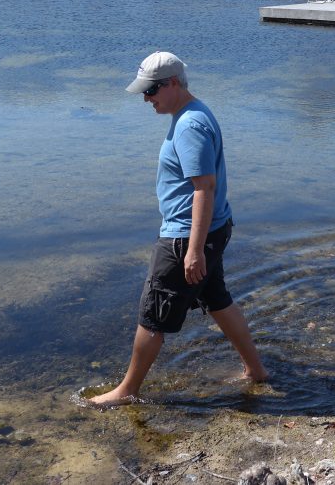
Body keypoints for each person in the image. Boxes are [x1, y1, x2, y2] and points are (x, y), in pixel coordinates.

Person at [89, 51, 268, 407]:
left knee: (153, 315)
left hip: (187, 235)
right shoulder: (193, 114)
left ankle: (126, 392)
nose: (146, 99)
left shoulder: (189, 125)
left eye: (151, 91)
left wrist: (193, 250)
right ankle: (256, 371)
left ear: (172, 84)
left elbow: (204, 188)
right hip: (211, 229)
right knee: (217, 300)